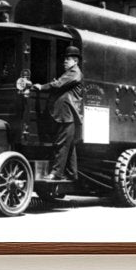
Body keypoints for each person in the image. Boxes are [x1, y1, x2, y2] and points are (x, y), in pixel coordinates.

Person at [32, 45, 84, 180]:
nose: (65, 61)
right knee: (68, 146)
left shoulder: (74, 73)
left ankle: (56, 173)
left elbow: (58, 84)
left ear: (75, 61)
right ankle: (72, 174)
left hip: (68, 115)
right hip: (66, 115)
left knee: (61, 145)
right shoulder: (70, 73)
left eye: (68, 59)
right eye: (65, 59)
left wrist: (41, 87)